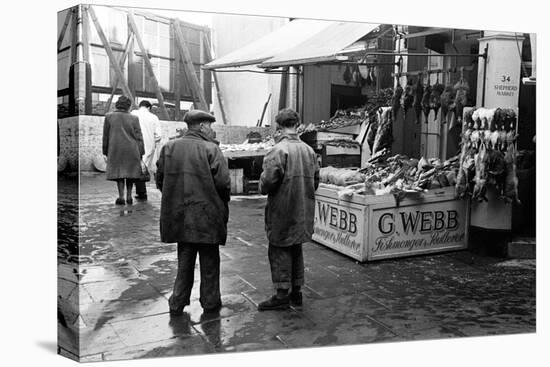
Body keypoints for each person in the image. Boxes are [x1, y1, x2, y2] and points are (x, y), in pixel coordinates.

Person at [156, 110, 231, 314]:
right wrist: (222, 203)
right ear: (201, 126)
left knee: (185, 260)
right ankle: (210, 301)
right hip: (207, 215)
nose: (211, 129)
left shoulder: (169, 147)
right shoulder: (211, 149)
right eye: (209, 125)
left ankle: (177, 301)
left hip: (180, 216)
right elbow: (223, 184)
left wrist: (176, 198)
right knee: (209, 261)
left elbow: (160, 180)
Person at [257, 108, 319, 311]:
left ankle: (282, 293)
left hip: (283, 209)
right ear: (297, 125)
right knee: (296, 247)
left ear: (279, 126)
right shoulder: (309, 150)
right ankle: (297, 292)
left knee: (279, 248)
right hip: (302, 208)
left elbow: (267, 182)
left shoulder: (278, 150)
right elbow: (316, 180)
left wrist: (262, 185)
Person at [102, 96, 144, 205]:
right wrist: (141, 152)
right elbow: (139, 137)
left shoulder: (109, 117)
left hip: (115, 149)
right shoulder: (134, 118)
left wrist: (105, 151)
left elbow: (105, 136)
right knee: (130, 173)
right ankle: (129, 196)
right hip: (132, 149)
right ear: (128, 106)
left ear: (117, 104)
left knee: (119, 173)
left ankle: (121, 197)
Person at [131, 100, 162, 201]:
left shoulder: (133, 114)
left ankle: (135, 193)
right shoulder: (154, 117)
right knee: (143, 169)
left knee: (133, 169)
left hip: (133, 145)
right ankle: (141, 192)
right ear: (149, 108)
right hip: (148, 146)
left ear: (140, 106)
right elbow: (158, 136)